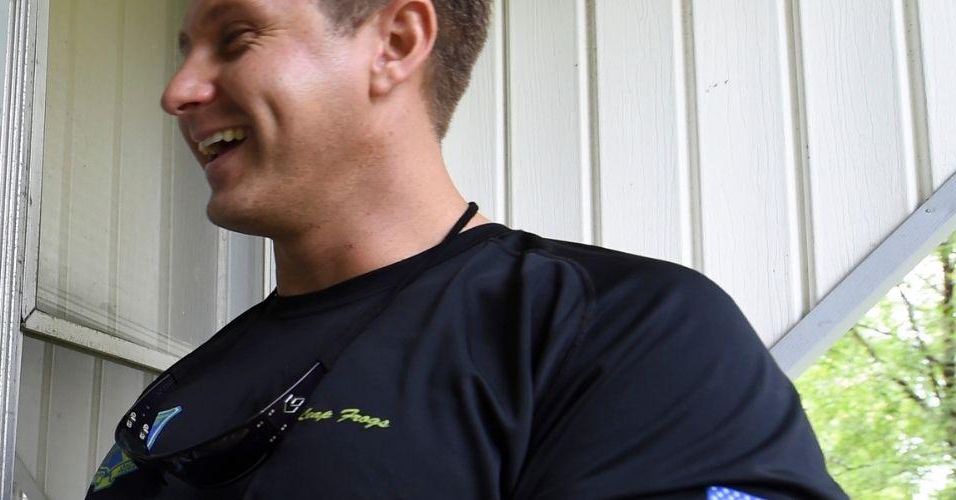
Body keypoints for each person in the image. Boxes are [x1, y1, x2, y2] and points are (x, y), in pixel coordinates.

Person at [86, 0, 844, 498]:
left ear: (396, 42)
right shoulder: (190, 385)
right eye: (186, 51)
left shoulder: (623, 332)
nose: (177, 91)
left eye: (237, 39)